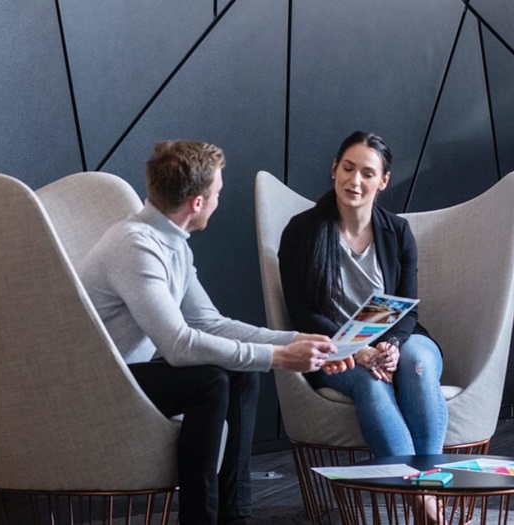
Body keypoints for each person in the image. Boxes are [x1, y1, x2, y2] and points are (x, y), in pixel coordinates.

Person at [78, 140, 351, 524]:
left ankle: (233, 515)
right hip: (102, 384)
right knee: (208, 381)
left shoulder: (173, 244)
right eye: (217, 193)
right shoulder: (134, 246)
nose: (219, 201)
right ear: (197, 203)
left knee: (239, 374)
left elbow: (209, 323)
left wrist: (293, 340)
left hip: (131, 375)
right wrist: (277, 358)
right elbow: (178, 345)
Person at [277, 131, 448, 457]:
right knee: (370, 382)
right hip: (333, 347)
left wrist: (392, 345)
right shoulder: (301, 231)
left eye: (367, 173)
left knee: (417, 363)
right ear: (334, 169)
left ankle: (428, 483)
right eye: (347, 168)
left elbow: (408, 309)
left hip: (393, 339)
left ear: (383, 181)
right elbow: (300, 312)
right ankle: (423, 493)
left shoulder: (397, 232)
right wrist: (357, 351)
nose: (354, 180)